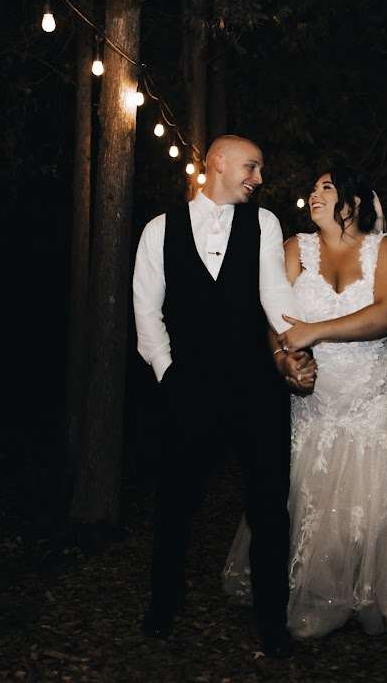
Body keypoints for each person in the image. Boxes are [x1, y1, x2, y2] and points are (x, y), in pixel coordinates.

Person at [224, 165, 387, 638]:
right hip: (314, 389)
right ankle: (317, 592)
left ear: (354, 203)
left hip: (372, 385)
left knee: (375, 478)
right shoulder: (295, 248)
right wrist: (286, 361)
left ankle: (386, 592)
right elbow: (274, 316)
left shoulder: (384, 250)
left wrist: (314, 331)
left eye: (326, 188)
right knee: (311, 477)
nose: (314, 193)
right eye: (313, 187)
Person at [133, 135, 316, 658]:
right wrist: (169, 373)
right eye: (251, 167)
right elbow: (146, 310)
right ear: (217, 162)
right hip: (188, 389)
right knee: (175, 501)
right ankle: (163, 604)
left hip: (256, 388)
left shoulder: (264, 224)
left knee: (269, 509)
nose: (258, 179)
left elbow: (274, 294)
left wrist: (297, 344)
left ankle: (272, 624)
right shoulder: (158, 229)